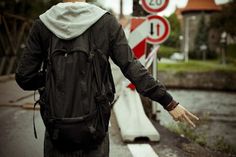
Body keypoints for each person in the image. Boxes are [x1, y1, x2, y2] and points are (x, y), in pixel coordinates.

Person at [15, 0, 199, 156]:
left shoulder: (42, 25)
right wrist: (168, 102)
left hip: (57, 128)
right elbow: (131, 67)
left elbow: (24, 77)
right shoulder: (105, 22)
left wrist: (52, 80)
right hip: (95, 127)